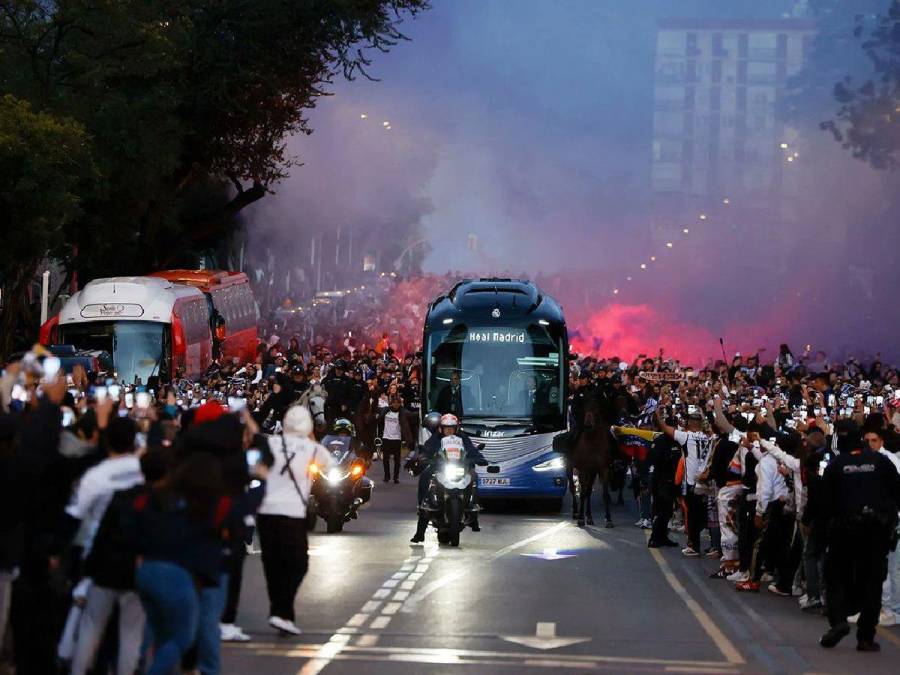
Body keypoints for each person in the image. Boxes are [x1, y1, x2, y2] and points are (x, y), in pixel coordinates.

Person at [126, 452, 240, 675]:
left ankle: (141, 665)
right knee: (183, 637)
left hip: (146, 569)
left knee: (157, 631)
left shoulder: (153, 499)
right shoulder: (209, 505)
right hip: (177, 574)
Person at [810, 420, 900, 651]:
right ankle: (866, 636)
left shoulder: (836, 465)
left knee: (835, 578)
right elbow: (896, 493)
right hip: (875, 533)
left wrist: (819, 539)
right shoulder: (880, 461)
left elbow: (823, 506)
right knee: (873, 584)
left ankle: (838, 622)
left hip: (844, 532)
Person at [255, 405, 330, 635]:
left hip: (265, 511)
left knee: (272, 564)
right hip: (293, 514)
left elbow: (255, 465)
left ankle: (280, 612)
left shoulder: (271, 442)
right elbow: (328, 465)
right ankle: (282, 612)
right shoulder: (312, 448)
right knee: (298, 564)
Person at [409, 414, 487, 543]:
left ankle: (473, 511)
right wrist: (423, 458)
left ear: (456, 428)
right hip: (440, 468)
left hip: (460, 468)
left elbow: (472, 450)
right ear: (441, 428)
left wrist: (479, 458)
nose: (449, 430)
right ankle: (421, 528)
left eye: (452, 428)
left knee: (474, 476)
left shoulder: (462, 438)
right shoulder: (436, 438)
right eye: (446, 428)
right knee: (425, 477)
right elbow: (427, 450)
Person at [656, 407, 713, 557]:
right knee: (707, 514)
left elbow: (665, 429)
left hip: (692, 482)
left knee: (692, 515)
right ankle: (713, 546)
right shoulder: (709, 437)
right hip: (706, 481)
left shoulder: (686, 437)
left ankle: (693, 546)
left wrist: (658, 417)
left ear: (690, 422)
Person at [376, 396, 414, 483]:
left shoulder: (403, 412)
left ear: (400, 404)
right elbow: (379, 417)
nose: (396, 404)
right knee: (385, 459)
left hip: (397, 438)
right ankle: (387, 476)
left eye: (398, 403)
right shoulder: (386, 410)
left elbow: (412, 416)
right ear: (391, 403)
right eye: (394, 402)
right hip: (386, 438)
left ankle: (396, 477)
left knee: (397, 460)